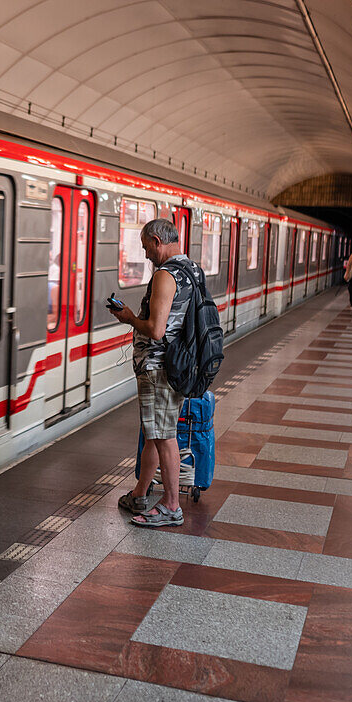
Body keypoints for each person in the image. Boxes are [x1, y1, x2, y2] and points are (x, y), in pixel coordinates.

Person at [109, 218, 203, 528]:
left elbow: (156, 330)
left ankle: (171, 506)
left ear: (156, 240)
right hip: (178, 364)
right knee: (153, 432)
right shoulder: (192, 270)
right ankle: (139, 494)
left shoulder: (166, 275)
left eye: (146, 246)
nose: (146, 252)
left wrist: (128, 318)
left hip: (159, 367)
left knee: (164, 436)